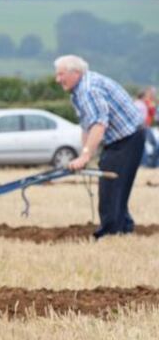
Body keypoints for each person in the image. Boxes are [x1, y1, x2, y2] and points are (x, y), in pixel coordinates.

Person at [56, 55, 145, 238]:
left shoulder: (88, 90)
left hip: (128, 138)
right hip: (119, 139)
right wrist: (83, 155)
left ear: (76, 72)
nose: (58, 80)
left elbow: (99, 124)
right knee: (114, 186)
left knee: (111, 188)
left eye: (61, 74)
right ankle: (123, 227)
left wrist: (86, 155)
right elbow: (87, 126)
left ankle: (111, 233)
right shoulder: (78, 92)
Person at [134, 87, 158, 168]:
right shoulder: (145, 103)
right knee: (151, 144)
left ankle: (147, 163)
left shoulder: (140, 103)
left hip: (142, 126)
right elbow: (153, 114)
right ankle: (149, 164)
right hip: (144, 126)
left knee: (145, 144)